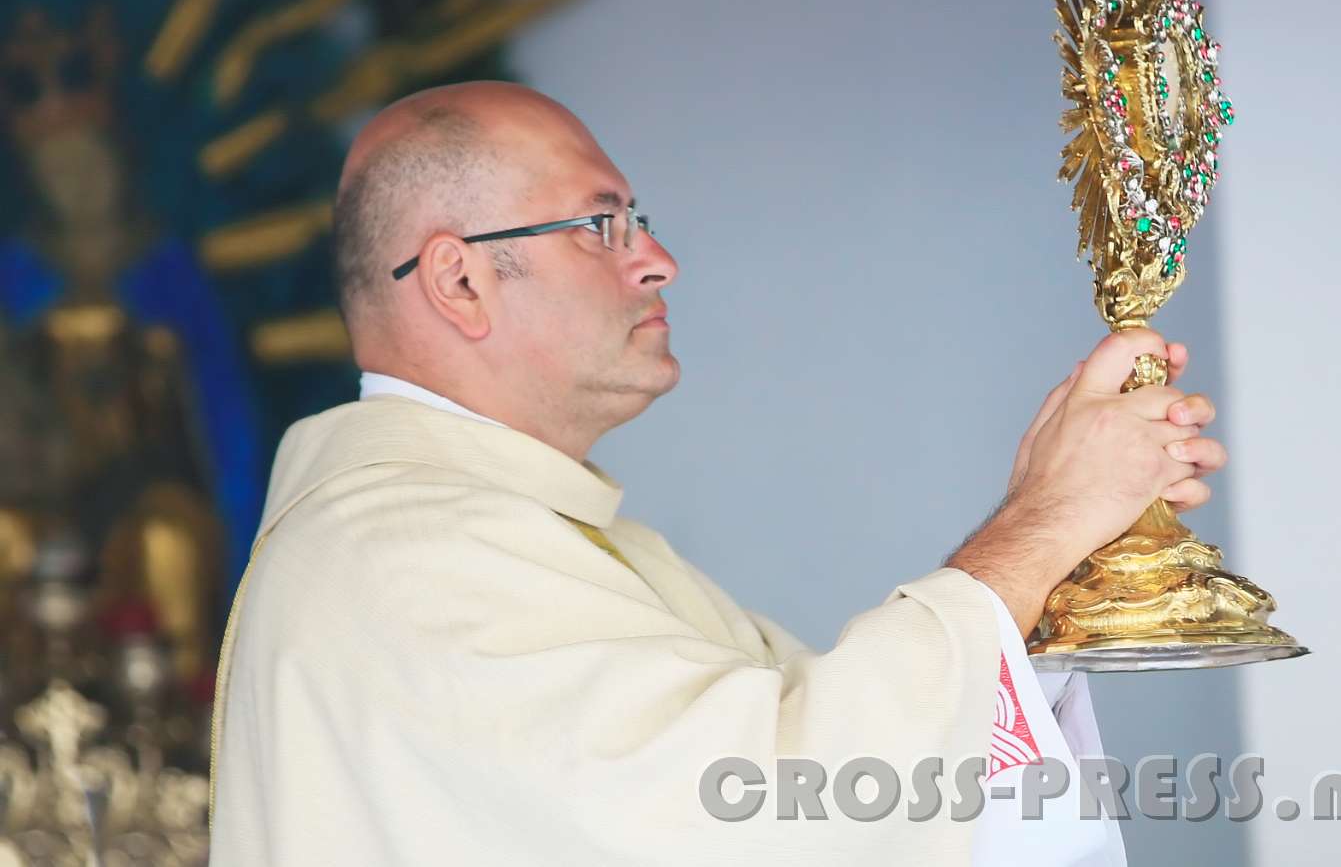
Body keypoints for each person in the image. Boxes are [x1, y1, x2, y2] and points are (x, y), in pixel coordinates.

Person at [207, 81, 1225, 865]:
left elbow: (828, 767)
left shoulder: (507, 543)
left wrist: (1053, 566)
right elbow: (764, 808)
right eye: (600, 224)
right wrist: (1037, 526)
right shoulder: (410, 559)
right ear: (460, 278)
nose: (656, 259)